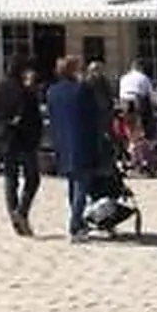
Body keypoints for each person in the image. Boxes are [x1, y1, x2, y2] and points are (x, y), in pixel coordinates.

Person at [45, 55, 101, 242]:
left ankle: (78, 221)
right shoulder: (82, 89)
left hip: (62, 142)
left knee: (72, 184)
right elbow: (94, 115)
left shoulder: (52, 91)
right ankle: (75, 224)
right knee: (82, 186)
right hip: (82, 141)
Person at [0, 62, 44, 236]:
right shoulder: (26, 92)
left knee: (10, 178)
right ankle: (22, 210)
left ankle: (14, 215)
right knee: (32, 178)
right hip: (25, 140)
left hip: (5, 140)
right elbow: (35, 119)